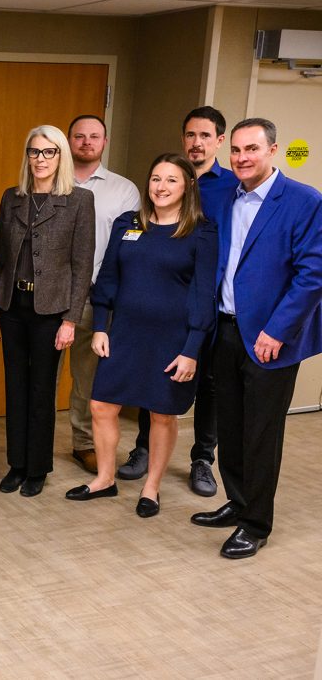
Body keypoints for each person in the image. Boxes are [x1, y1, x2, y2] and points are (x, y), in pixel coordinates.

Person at [191, 118, 322, 559]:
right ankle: (238, 501)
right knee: (229, 426)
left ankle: (256, 523)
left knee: (261, 433)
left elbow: (313, 274)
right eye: (237, 150)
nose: (242, 157)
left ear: (273, 151)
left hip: (271, 339)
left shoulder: (304, 200)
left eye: (252, 149)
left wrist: (277, 331)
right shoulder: (228, 196)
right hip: (226, 329)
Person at [65, 154, 218, 517]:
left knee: (162, 414)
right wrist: (99, 327)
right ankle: (105, 479)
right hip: (124, 333)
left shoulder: (202, 231)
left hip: (172, 339)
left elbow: (203, 295)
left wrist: (192, 349)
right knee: (102, 405)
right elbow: (108, 279)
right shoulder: (127, 223)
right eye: (155, 179)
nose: (161, 187)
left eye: (171, 180)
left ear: (188, 187)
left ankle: (151, 488)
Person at [122, 106, 240, 497]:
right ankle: (143, 448)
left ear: (219, 141)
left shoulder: (232, 186)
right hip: (168, 300)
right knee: (154, 374)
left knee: (209, 383)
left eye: (205, 136)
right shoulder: (169, 180)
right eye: (190, 135)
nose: (196, 142)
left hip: (213, 299)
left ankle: (202, 459)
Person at [0, 125, 95, 497]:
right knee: (15, 388)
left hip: (52, 311)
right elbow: (1, 259)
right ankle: (16, 464)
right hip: (12, 306)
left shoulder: (79, 201)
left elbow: (82, 266)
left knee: (41, 390)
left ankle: (37, 468)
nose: (41, 159)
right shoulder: (12, 197)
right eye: (34, 151)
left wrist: (71, 319)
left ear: (60, 156)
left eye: (49, 152)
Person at [64, 115, 140, 477]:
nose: (86, 142)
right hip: (52, 296)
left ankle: (83, 443)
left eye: (94, 136)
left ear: (104, 142)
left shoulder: (124, 191)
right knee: (41, 375)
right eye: (79, 136)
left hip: (96, 298)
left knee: (87, 378)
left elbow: (130, 247)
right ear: (69, 140)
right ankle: (33, 445)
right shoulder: (51, 180)